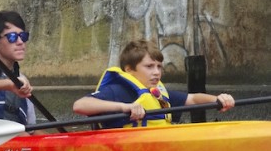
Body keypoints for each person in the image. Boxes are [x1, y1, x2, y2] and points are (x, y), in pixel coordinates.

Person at [72, 39, 235, 129]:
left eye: (159, 67)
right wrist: (125, 107)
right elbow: (80, 105)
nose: (157, 72)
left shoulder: (157, 93)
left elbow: (192, 99)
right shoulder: (118, 90)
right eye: (149, 67)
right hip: (123, 150)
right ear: (129, 70)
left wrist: (218, 99)